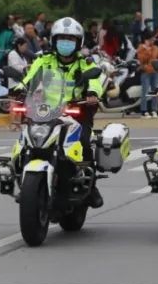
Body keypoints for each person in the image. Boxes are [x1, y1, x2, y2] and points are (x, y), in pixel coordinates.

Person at [12, 17, 106, 208]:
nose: (65, 42)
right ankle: (24, 182)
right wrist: (20, 89)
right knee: (27, 143)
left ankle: (91, 186)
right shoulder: (44, 60)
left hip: (75, 112)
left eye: (70, 39)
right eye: (61, 38)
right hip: (45, 111)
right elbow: (30, 76)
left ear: (78, 42)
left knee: (84, 142)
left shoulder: (84, 63)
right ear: (54, 40)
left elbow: (95, 80)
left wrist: (92, 93)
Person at [137, 30, 158, 118]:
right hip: (146, 71)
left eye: (153, 39)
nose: (153, 40)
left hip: (155, 72)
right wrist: (147, 50)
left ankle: (154, 109)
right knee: (145, 91)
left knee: (155, 91)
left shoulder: (156, 48)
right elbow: (142, 59)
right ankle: (144, 110)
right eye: (151, 39)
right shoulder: (141, 47)